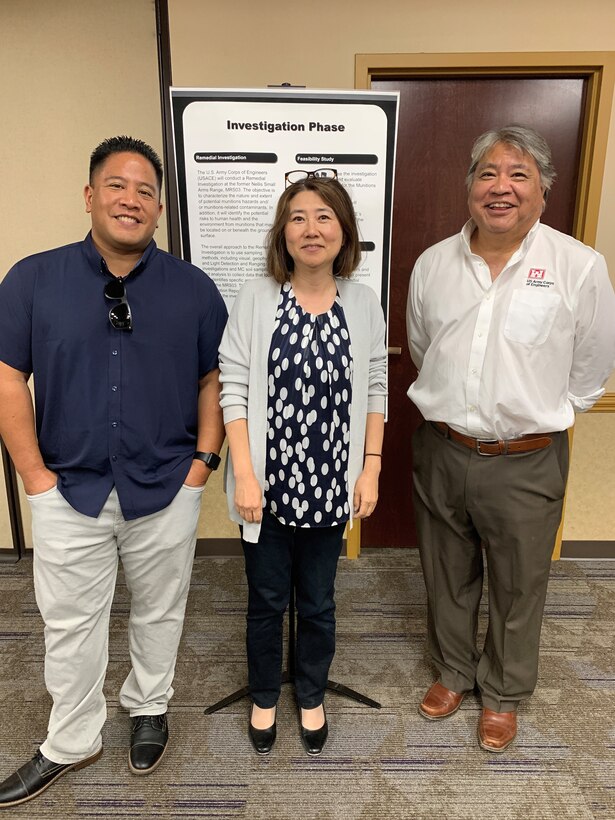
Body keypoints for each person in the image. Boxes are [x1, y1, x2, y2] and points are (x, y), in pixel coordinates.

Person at [0, 136, 227, 806]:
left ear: (158, 208)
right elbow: (9, 377)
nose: (131, 199)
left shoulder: (192, 288)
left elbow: (214, 379)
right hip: (67, 487)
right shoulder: (32, 279)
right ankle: (71, 739)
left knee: (160, 608)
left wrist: (201, 467)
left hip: (166, 485)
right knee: (69, 620)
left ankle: (149, 705)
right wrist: (33, 476)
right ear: (90, 195)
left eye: (145, 191)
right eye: (117, 185)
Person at [407, 125, 615, 753]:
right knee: (446, 572)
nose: (501, 188)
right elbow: (423, 348)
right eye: (488, 173)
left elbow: (592, 364)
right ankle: (453, 672)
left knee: (520, 582)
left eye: (518, 175)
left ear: (542, 192)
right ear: (469, 186)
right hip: (442, 448)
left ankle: (503, 692)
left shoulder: (578, 266)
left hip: (526, 459)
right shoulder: (433, 263)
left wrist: (539, 415)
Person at [218, 176, 387, 756]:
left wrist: (371, 467)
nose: (310, 229)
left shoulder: (363, 302)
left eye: (324, 217)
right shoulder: (256, 296)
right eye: (297, 218)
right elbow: (234, 387)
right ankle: (266, 694)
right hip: (265, 486)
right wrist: (243, 473)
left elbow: (375, 388)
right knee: (266, 599)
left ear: (344, 231)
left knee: (317, 600)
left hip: (330, 485)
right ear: (282, 233)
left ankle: (310, 692)